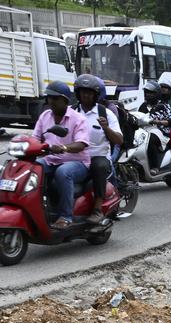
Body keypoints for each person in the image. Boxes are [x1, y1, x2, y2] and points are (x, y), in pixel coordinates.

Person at [33, 80, 91, 230]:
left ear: (65, 100)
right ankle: (37, 209)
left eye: (55, 98)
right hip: (50, 160)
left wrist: (63, 148)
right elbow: (35, 138)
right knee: (31, 169)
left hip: (77, 162)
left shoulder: (78, 119)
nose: (50, 101)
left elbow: (81, 144)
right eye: (49, 98)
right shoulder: (45, 116)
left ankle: (66, 216)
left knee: (63, 172)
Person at [74, 74, 122, 224]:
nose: (86, 95)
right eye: (83, 92)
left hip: (98, 156)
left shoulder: (105, 114)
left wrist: (106, 128)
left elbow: (119, 140)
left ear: (96, 95)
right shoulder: (71, 112)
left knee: (99, 166)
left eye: (89, 92)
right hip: (75, 156)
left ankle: (97, 209)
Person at [139, 79, 171, 173]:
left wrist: (157, 122)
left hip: (162, 131)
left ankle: (155, 166)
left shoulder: (164, 105)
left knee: (153, 139)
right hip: (146, 130)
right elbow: (139, 117)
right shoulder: (143, 106)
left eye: (151, 93)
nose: (148, 95)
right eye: (146, 92)